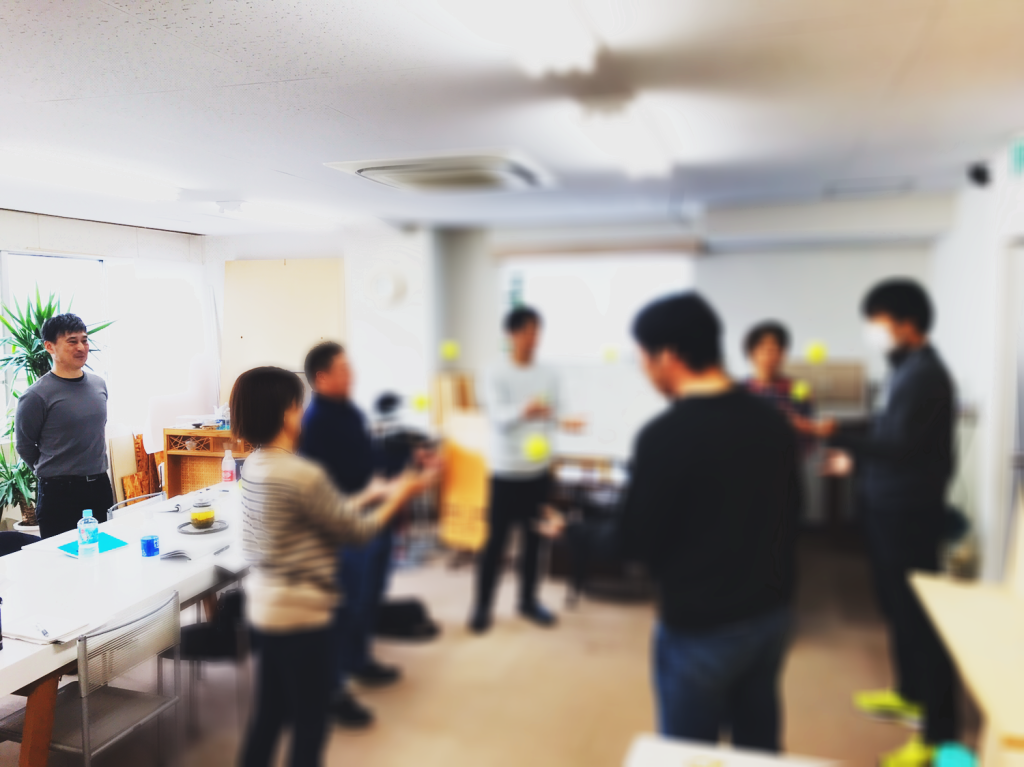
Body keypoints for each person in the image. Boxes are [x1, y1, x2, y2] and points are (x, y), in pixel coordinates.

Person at [618, 292, 801, 752]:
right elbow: (793, 513)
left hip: (700, 625)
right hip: (771, 616)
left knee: (687, 752)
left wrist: (575, 533)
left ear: (668, 357)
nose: (644, 371)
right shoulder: (774, 423)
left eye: (643, 359)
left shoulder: (664, 436)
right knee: (758, 747)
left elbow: (636, 541)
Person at [233, 366, 438, 767]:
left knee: (270, 716)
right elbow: (356, 532)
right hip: (303, 616)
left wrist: (371, 494)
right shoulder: (301, 473)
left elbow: (317, 515)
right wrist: (402, 494)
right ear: (287, 414)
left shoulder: (255, 465)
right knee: (310, 722)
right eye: (300, 405)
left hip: (267, 610)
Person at [820, 279, 957, 767]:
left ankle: (938, 737)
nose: (873, 332)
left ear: (907, 324)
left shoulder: (925, 375)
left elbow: (898, 446)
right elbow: (890, 432)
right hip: (887, 505)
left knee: (919, 620)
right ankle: (908, 694)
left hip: (909, 513)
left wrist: (843, 441)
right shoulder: (904, 370)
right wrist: (849, 448)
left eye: (878, 322)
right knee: (895, 608)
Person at [298, 341, 399, 729]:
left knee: (367, 598)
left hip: (370, 518)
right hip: (343, 528)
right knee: (342, 609)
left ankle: (359, 661)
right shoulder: (314, 422)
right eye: (343, 369)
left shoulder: (350, 412)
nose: (351, 374)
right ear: (322, 378)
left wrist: (406, 460)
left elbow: (368, 459)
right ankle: (332, 689)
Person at [469, 306, 583, 634]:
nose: (534, 339)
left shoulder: (550, 372)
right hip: (505, 470)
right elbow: (497, 419)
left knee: (536, 540)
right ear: (511, 335)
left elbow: (559, 409)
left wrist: (567, 421)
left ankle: (528, 601)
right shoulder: (493, 372)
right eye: (527, 332)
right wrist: (526, 409)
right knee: (496, 543)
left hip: (538, 470)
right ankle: (482, 606)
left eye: (537, 332)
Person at [15, 313, 113, 539]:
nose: (81, 347)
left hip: (99, 485)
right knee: (61, 556)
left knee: (102, 551)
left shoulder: (98, 385)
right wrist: (54, 473)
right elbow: (25, 446)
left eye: (84, 340)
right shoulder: (36, 395)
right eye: (72, 341)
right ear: (49, 346)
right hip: (59, 493)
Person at [743, 320, 829, 442]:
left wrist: (818, 427)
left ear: (783, 354)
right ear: (751, 353)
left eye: (774, 350)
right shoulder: (740, 390)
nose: (768, 356)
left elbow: (811, 425)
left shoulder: (799, 388)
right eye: (762, 349)